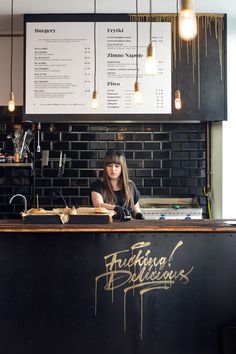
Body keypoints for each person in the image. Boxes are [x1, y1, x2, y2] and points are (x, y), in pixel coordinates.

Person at [90, 150, 145, 221]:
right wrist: (116, 208)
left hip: (127, 228)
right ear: (105, 168)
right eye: (109, 166)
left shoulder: (130, 185)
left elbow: (136, 210)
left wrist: (139, 215)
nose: (113, 169)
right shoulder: (97, 185)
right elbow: (98, 205)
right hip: (105, 228)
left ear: (122, 168)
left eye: (117, 166)